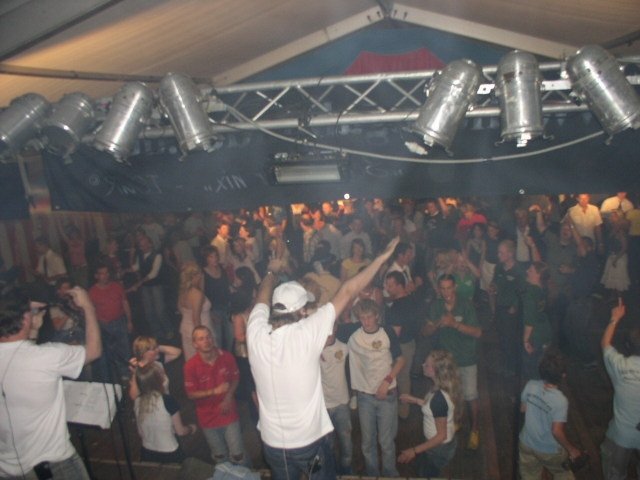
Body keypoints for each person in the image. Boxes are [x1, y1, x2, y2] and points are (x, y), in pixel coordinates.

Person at [247, 236, 398, 480]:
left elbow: (261, 298)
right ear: (301, 311)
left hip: (273, 445)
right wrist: (381, 258)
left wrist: (271, 272)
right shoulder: (308, 332)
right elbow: (348, 289)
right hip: (308, 446)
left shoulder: (254, 331)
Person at [0, 286, 101, 479]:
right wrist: (88, 307)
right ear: (26, 319)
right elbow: (93, 350)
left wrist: (32, 329)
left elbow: (18, 355)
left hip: (7, 469)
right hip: (54, 465)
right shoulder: (47, 356)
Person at [336, 298, 404, 477]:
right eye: (362, 317)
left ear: (377, 316)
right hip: (365, 397)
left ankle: (390, 474)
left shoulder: (387, 331)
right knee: (367, 442)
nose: (366, 321)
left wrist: (387, 381)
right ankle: (372, 474)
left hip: (387, 394)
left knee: (386, 441)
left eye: (369, 317)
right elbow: (328, 332)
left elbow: (400, 360)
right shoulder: (351, 332)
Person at [424, 274, 482, 450]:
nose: (446, 292)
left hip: (466, 358)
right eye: (443, 288)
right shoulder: (436, 306)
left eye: (449, 288)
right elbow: (425, 332)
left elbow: (478, 332)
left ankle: (475, 429)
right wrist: (437, 324)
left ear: (455, 287)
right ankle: (457, 421)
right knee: (450, 395)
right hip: (447, 361)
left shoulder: (466, 305)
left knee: (470, 395)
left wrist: (454, 324)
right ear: (439, 289)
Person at [183, 326, 249, 466]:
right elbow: (191, 394)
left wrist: (228, 397)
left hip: (228, 412)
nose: (206, 341)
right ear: (195, 344)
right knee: (220, 456)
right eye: (201, 339)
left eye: (208, 337)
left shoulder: (226, 357)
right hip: (207, 418)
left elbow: (235, 378)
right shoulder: (190, 366)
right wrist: (214, 391)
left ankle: (245, 474)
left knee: (238, 455)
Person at [397, 350, 463, 477]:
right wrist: (415, 400)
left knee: (427, 474)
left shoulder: (439, 399)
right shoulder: (443, 386)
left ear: (436, 371)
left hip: (438, 448)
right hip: (441, 446)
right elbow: (434, 408)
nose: (423, 365)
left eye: (427, 365)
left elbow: (441, 436)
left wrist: (414, 451)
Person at [519, 348, 581, 480]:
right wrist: (571, 450)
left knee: (529, 476)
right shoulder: (560, 400)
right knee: (562, 473)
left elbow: (523, 409)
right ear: (563, 375)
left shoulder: (530, 385)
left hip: (526, 442)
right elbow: (556, 431)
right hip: (548, 450)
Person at [600, 299, 640, 480]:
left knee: (614, 472)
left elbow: (605, 344)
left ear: (628, 346)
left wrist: (615, 318)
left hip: (621, 434)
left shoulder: (620, 365)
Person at [134, 362, 197, 463]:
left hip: (147, 452)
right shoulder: (167, 400)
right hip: (170, 453)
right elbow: (180, 431)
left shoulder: (137, 401)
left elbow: (140, 432)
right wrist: (191, 428)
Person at [89, 262, 133, 382]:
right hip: (104, 326)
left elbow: (125, 303)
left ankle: (126, 373)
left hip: (119, 322)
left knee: (124, 349)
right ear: (96, 276)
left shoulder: (117, 286)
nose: (105, 276)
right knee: (109, 353)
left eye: (106, 273)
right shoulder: (92, 292)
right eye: (102, 274)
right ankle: (113, 377)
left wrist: (129, 321)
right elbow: (91, 311)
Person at [320, 324, 353, 475]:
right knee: (328, 444)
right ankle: (332, 472)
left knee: (346, 442)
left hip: (342, 403)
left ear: (336, 329)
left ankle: (346, 471)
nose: (328, 334)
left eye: (331, 329)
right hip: (323, 405)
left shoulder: (344, 347)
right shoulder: (314, 349)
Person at [178, 262, 215, 360]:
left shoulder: (183, 291)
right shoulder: (197, 294)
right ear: (194, 276)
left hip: (186, 327)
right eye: (200, 274)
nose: (202, 276)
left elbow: (181, 310)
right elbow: (196, 317)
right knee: (205, 358)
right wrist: (201, 336)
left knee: (191, 358)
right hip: (199, 327)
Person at [128, 335, 181, 400]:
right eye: (153, 349)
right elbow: (133, 396)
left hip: (164, 402)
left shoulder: (158, 363)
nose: (157, 350)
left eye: (156, 347)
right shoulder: (137, 370)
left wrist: (158, 347)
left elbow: (177, 352)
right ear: (144, 352)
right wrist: (135, 373)